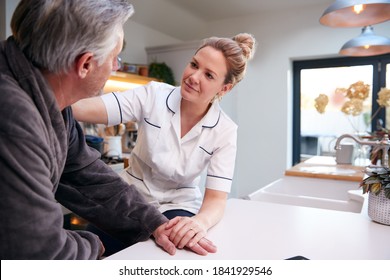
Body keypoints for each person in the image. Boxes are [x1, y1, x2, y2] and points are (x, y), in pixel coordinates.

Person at [0, 0, 216, 259]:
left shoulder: (53, 102)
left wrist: (153, 223)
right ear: (85, 65)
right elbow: (38, 250)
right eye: (116, 58)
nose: (116, 66)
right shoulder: (13, 112)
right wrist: (92, 246)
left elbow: (84, 173)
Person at [73, 33, 256, 250]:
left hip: (178, 206)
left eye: (208, 75)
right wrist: (49, 95)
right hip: (129, 199)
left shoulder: (224, 130)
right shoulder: (154, 95)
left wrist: (199, 222)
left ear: (224, 88)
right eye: (194, 65)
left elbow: (216, 200)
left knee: (168, 255)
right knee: (93, 251)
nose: (194, 77)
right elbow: (84, 108)